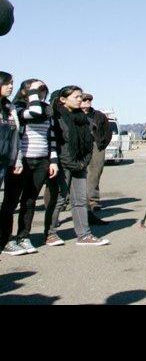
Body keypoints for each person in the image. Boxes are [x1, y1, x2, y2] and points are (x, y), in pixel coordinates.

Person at [44, 85, 108, 246]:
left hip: (80, 164)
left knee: (79, 200)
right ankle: (50, 233)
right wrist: (70, 162)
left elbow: (88, 143)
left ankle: (84, 235)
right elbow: (58, 144)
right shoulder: (56, 117)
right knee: (58, 199)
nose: (80, 100)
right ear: (63, 100)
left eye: (81, 96)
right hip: (62, 164)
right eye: (76, 97)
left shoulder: (84, 118)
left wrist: (83, 162)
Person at [2, 79, 58, 253]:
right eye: (36, 89)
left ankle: (23, 236)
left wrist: (53, 160)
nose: (41, 92)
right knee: (11, 202)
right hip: (21, 160)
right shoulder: (17, 107)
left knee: (30, 200)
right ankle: (5, 239)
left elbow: (52, 136)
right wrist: (33, 93)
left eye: (42, 89)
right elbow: (33, 113)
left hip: (42, 160)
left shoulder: (47, 110)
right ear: (26, 92)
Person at [0, 72, 24, 255]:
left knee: (9, 204)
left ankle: (5, 239)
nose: (11, 86)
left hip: (8, 162)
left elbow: (17, 135)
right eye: (7, 83)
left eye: (12, 83)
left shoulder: (10, 107)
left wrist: (18, 159)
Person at [80, 93, 111, 219]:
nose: (87, 102)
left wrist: (102, 144)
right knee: (77, 173)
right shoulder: (73, 114)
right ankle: (75, 201)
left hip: (96, 145)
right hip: (79, 145)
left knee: (95, 173)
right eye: (84, 100)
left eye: (89, 100)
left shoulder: (99, 115)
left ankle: (93, 200)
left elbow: (107, 131)